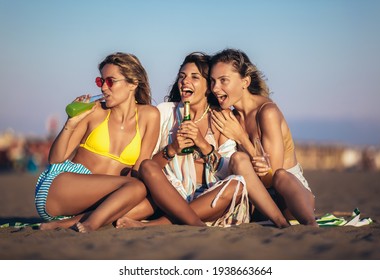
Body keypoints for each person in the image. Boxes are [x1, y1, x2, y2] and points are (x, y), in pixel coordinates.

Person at [116, 52, 249, 228]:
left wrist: (202, 144)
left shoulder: (220, 117)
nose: (185, 81)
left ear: (208, 87)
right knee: (148, 166)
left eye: (194, 77)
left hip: (210, 198)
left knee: (237, 185)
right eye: (182, 77)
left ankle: (156, 224)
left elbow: (227, 172)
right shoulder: (165, 112)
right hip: (171, 193)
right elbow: (146, 169)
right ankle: (191, 221)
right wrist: (172, 149)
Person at [35, 52, 160, 232]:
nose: (103, 88)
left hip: (103, 198)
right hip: (61, 188)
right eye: (101, 81)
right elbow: (55, 159)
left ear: (133, 83)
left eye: (110, 81)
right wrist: (71, 122)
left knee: (150, 202)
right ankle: (91, 223)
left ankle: (66, 223)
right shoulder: (94, 111)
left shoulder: (150, 115)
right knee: (137, 188)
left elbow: (139, 169)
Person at [210, 48, 317, 227]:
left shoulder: (267, 112)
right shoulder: (231, 118)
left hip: (291, 199)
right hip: (259, 203)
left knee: (281, 176)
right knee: (238, 159)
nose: (215, 88)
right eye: (212, 81)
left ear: (244, 82)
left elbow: (271, 176)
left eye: (223, 81)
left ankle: (311, 226)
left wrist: (241, 137)